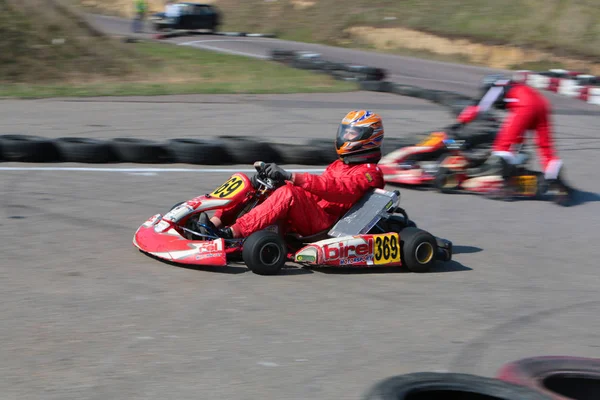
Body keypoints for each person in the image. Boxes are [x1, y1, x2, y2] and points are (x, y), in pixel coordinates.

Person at [198, 110, 386, 239]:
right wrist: (276, 181)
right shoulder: (340, 164)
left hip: (327, 225)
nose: (345, 137)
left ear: (369, 137)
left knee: (289, 193)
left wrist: (292, 178)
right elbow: (320, 189)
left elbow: (337, 189)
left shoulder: (370, 173)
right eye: (345, 132)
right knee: (258, 184)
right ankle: (214, 222)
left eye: (351, 134)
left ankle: (231, 234)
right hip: (313, 212)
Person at [456, 74, 567, 188]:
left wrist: (460, 122)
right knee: (545, 146)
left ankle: (504, 177)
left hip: (524, 105)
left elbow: (479, 107)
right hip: (542, 105)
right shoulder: (517, 86)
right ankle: (553, 176)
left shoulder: (496, 87)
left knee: (502, 145)